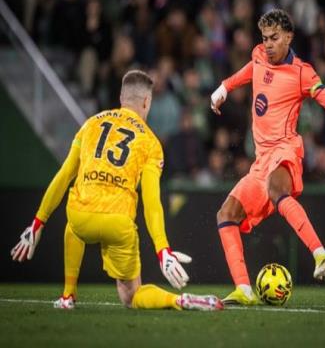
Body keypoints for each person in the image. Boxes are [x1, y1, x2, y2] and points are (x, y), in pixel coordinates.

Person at [210, 9, 325, 305]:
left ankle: (321, 255)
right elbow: (249, 70)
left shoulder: (302, 73)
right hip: (261, 161)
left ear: (289, 37)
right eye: (265, 38)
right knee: (226, 215)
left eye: (274, 38)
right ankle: (244, 290)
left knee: (277, 190)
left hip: (285, 149)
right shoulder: (258, 54)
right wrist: (224, 87)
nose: (268, 44)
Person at [11, 70, 223, 311]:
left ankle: (68, 296)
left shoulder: (90, 124)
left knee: (73, 227)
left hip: (81, 216)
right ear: (147, 102)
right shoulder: (151, 143)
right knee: (131, 297)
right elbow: (152, 202)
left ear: (122, 97)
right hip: (118, 222)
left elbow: (64, 175)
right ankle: (178, 300)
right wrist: (162, 249)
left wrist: (38, 223)